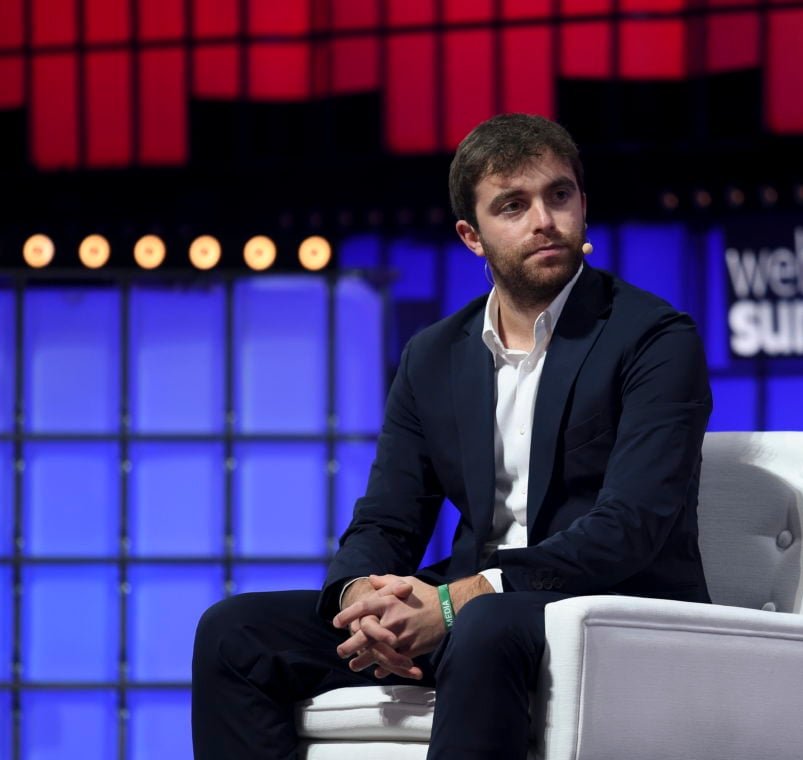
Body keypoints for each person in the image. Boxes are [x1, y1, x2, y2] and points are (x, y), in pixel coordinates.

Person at [191, 113, 713, 759]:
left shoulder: (654, 338)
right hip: (479, 614)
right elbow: (386, 517)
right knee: (233, 633)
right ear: (472, 235)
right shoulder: (434, 355)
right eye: (513, 206)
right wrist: (364, 602)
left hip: (608, 609)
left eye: (559, 195)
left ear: (583, 204)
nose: (544, 220)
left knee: (482, 624)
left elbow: (631, 526)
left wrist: (453, 602)